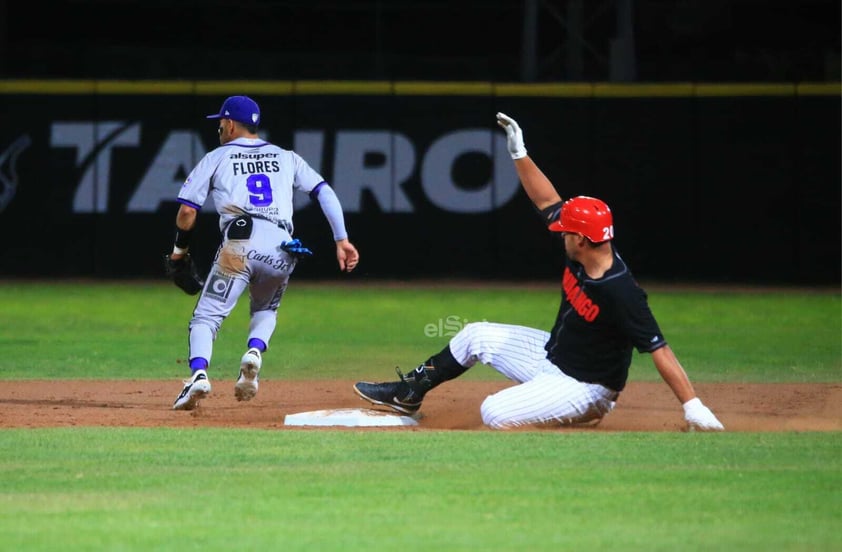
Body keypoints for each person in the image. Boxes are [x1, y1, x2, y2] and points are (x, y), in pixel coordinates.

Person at [353, 112, 723, 431]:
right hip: (552, 357)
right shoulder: (586, 249)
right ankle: (408, 394)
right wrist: (519, 153)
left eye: (565, 232)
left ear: (580, 238)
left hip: (586, 388)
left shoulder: (619, 290)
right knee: (474, 335)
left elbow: (659, 349)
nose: (559, 232)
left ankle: (571, 421)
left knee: (494, 411)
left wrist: (694, 406)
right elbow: (547, 200)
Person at [169, 95, 359, 410]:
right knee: (265, 310)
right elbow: (323, 191)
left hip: (240, 243)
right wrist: (342, 238)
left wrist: (179, 251)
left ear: (229, 124)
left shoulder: (218, 156)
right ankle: (254, 352)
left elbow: (187, 213)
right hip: (282, 247)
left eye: (221, 122)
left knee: (207, 316)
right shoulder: (287, 157)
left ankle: (199, 374)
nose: (219, 128)